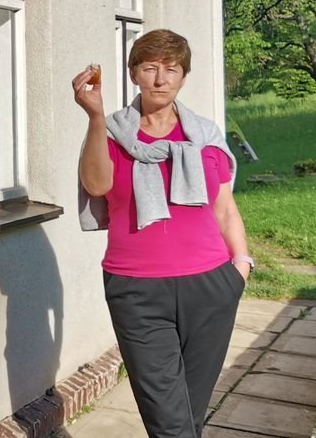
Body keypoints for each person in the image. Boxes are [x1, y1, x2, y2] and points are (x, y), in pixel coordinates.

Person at [73, 29, 251, 438]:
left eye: (171, 69)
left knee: (189, 413)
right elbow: (96, 185)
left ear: (183, 77)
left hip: (211, 286)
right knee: (169, 421)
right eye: (150, 67)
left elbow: (225, 209)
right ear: (133, 73)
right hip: (137, 291)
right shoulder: (112, 134)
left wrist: (241, 266)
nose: (160, 79)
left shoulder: (204, 136)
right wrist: (95, 117)